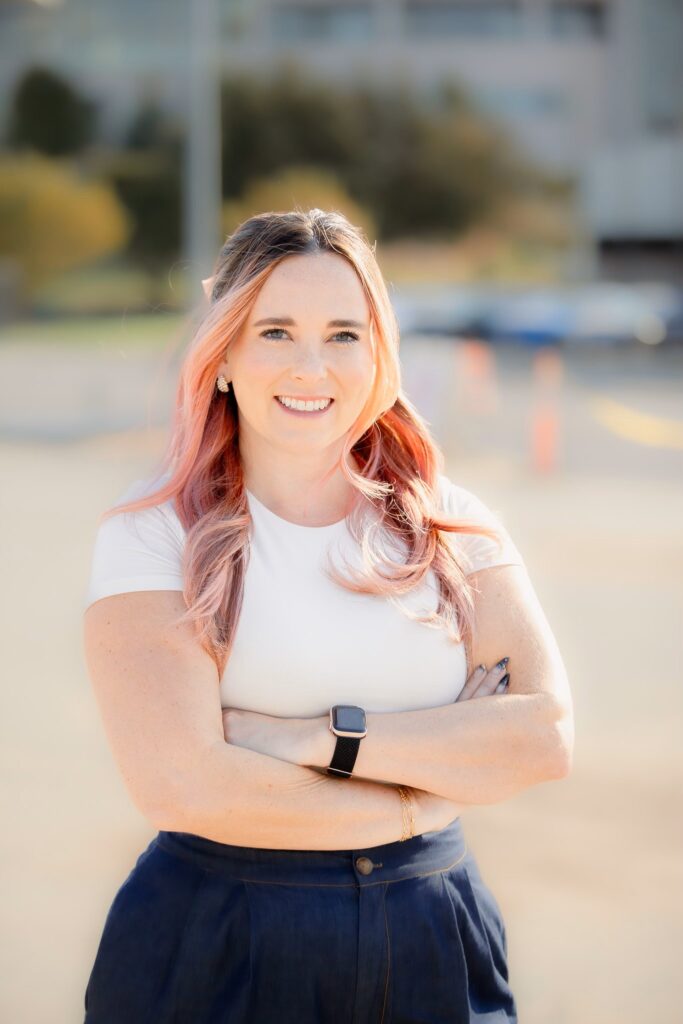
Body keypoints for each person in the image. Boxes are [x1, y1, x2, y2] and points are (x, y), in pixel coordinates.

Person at [81, 208, 573, 1023]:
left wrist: (317, 740)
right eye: (276, 331)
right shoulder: (153, 532)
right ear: (225, 356)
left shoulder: (450, 523)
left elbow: (542, 737)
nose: (312, 366)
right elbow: (181, 785)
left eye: (344, 334)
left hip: (433, 934)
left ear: (378, 353)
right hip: (219, 937)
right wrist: (424, 793)